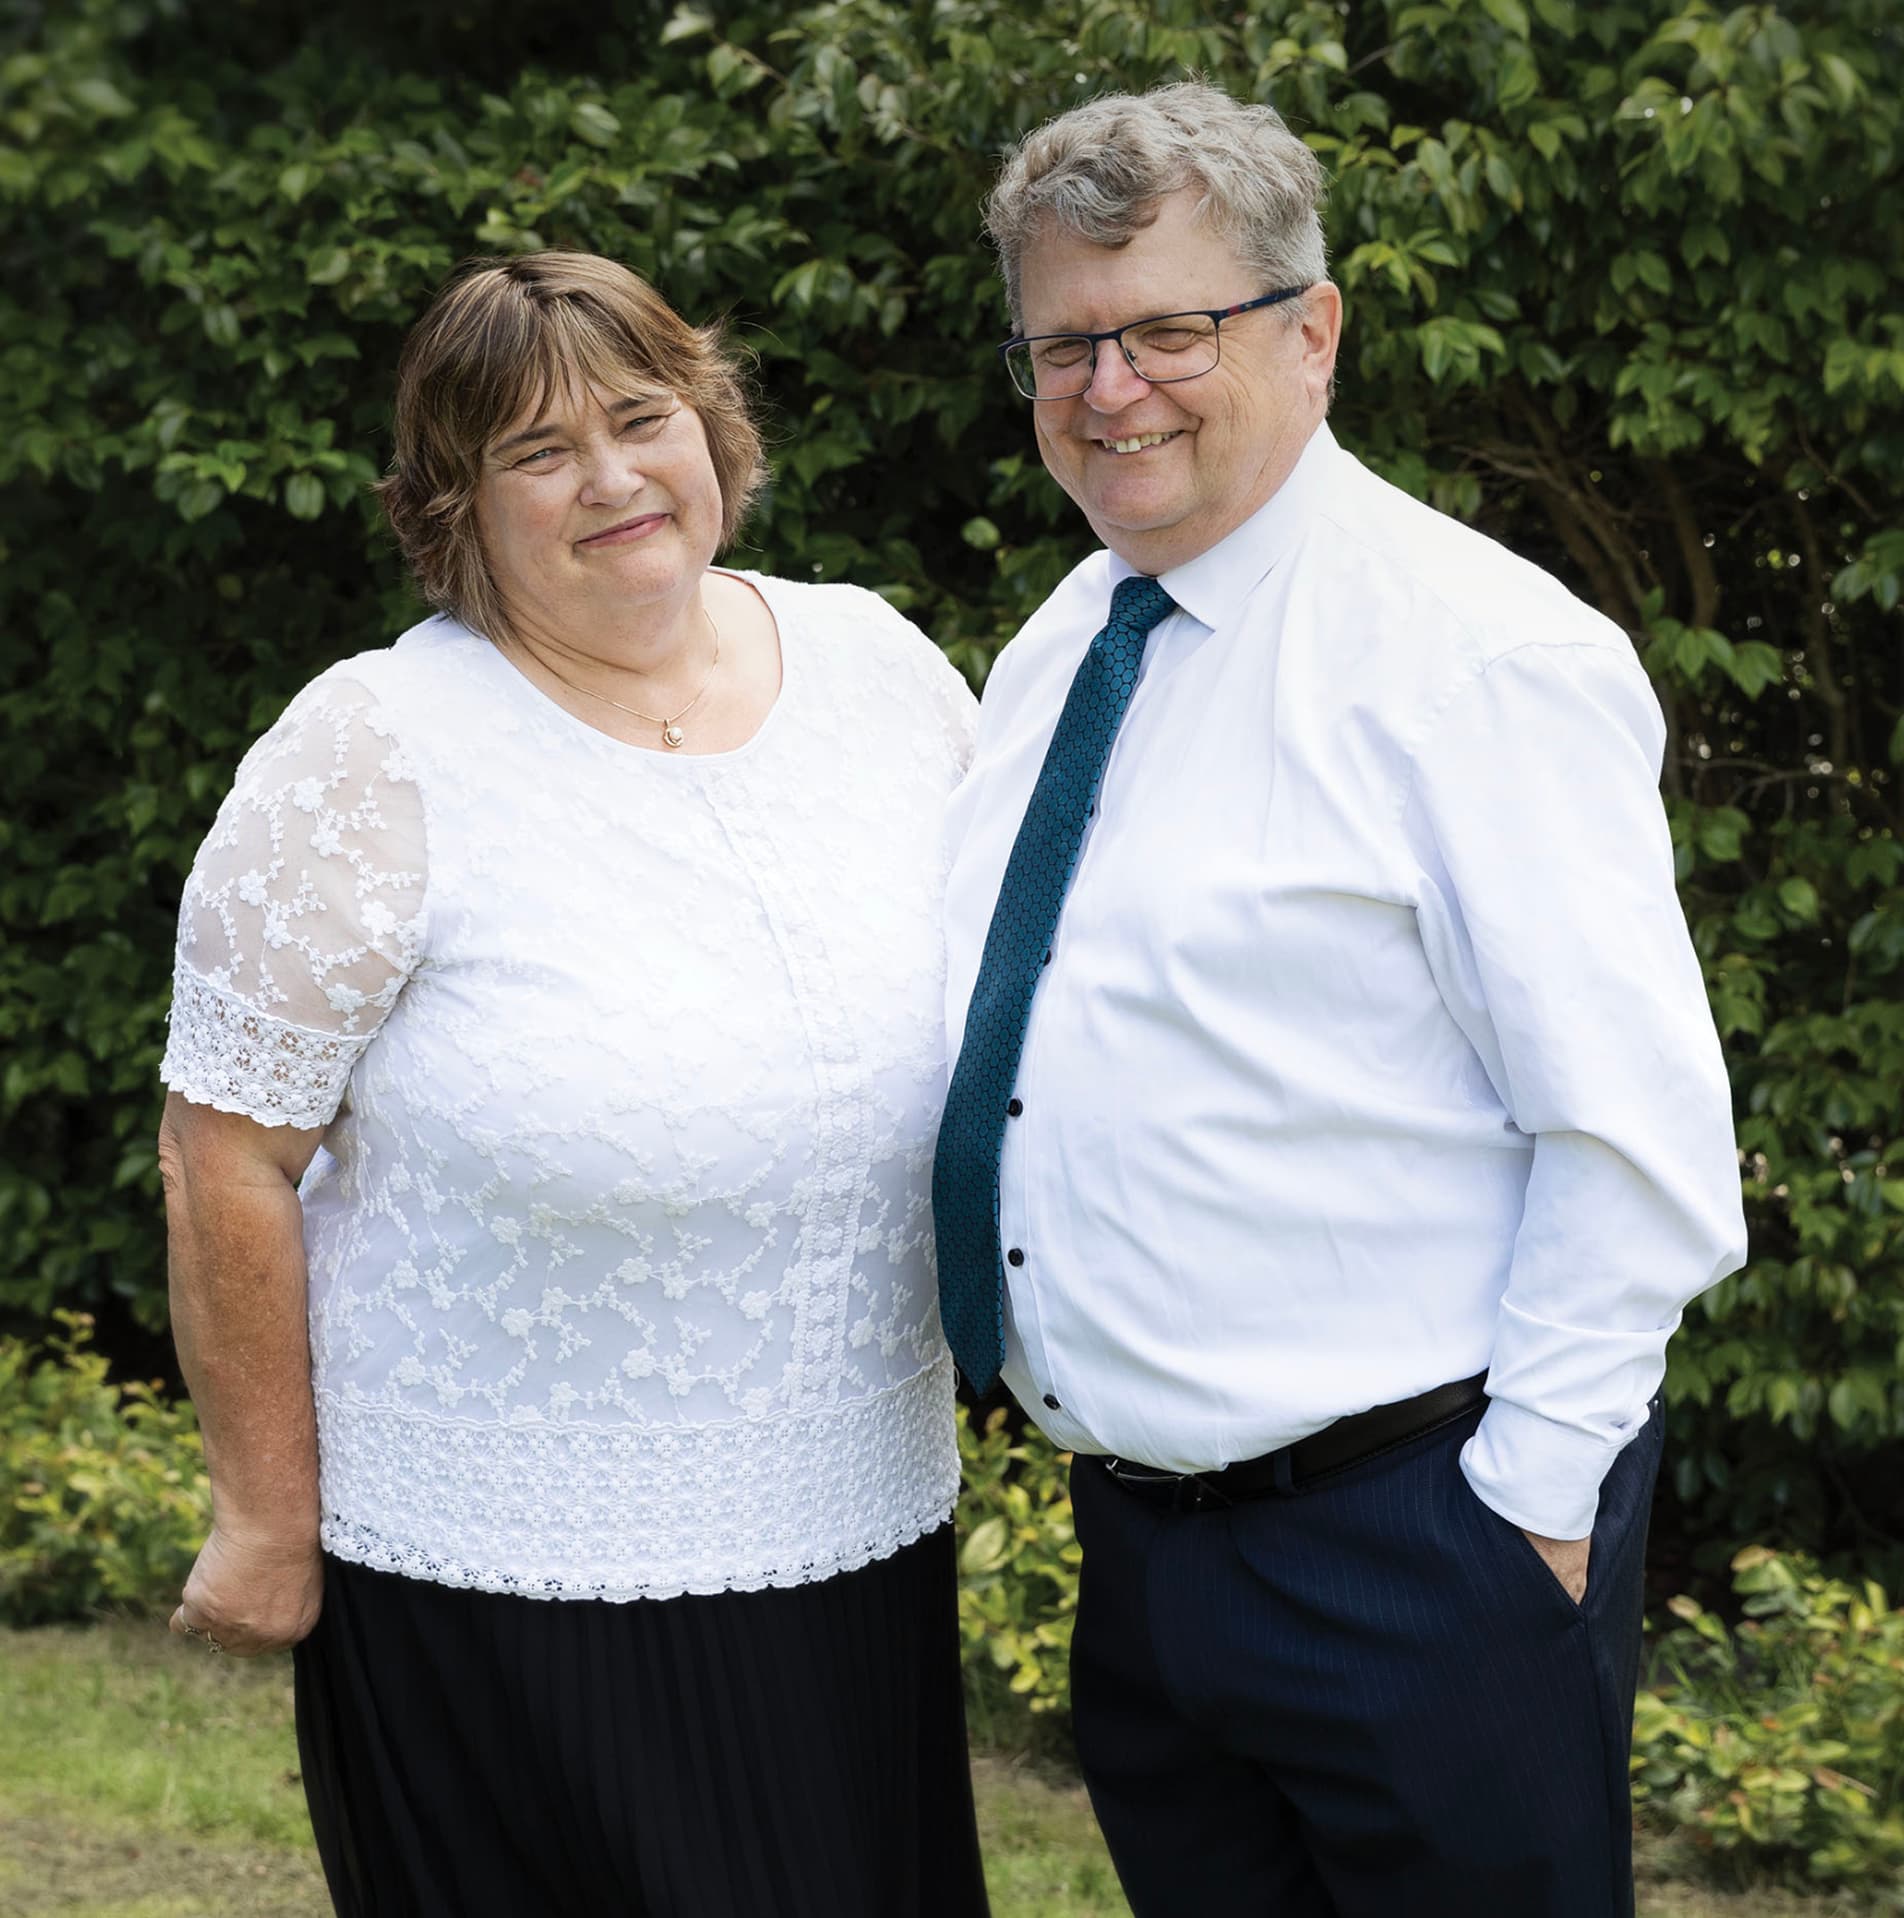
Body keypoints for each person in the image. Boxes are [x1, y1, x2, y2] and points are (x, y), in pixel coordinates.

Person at [933, 81, 1747, 1918]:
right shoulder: (1061, 646)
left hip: (1420, 1548)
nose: (1111, 389)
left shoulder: (1479, 661)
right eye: (1064, 344)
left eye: (1169, 330)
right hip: (1148, 1552)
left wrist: (1526, 1517)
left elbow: (1636, 1142)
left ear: (1313, 332)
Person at [157, 250, 990, 1918]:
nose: (612, 477)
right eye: (539, 452)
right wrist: (264, 1515)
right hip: (496, 1584)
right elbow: (221, 1154)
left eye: (641, 417)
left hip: (859, 1539)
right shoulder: (370, 749)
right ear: (453, 509)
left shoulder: (880, 668)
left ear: (713, 427)